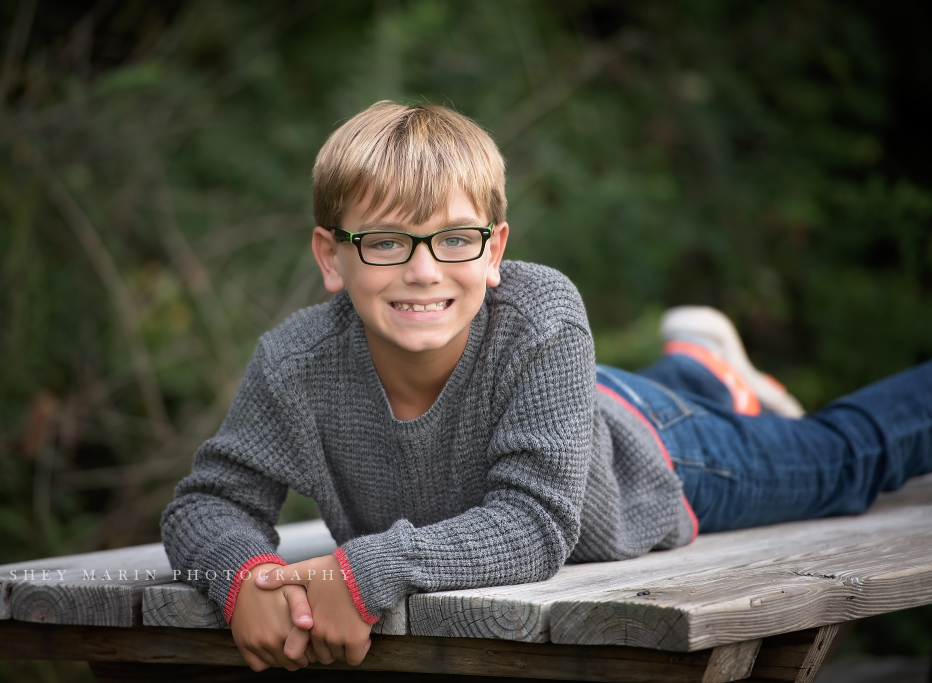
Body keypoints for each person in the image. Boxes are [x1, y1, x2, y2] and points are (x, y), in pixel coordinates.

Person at [160, 101, 932, 672]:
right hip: (570, 406)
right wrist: (244, 579)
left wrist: (361, 571)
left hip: (656, 460)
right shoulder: (296, 362)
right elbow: (208, 502)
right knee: (629, 397)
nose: (423, 270)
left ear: (494, 249)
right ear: (333, 257)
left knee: (844, 458)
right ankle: (703, 367)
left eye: (453, 239)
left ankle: (705, 381)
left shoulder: (542, 313)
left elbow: (535, 522)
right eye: (387, 242)